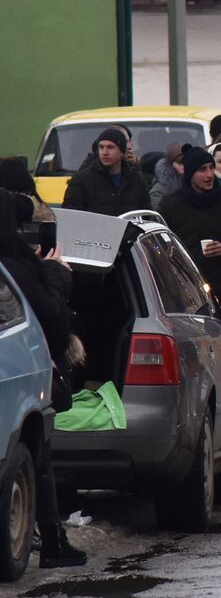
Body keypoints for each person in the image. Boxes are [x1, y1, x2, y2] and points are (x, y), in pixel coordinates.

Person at [0, 189, 87, 569]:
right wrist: (56, 272)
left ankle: (52, 539)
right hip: (19, 363)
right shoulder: (17, 265)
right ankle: (52, 540)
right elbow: (52, 316)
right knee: (38, 459)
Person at [157, 148, 221, 303]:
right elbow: (158, 245)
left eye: (211, 167)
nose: (209, 175)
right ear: (190, 173)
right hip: (184, 287)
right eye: (202, 170)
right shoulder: (170, 204)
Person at [61, 127, 150, 215]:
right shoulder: (81, 179)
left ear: (122, 152)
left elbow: (147, 216)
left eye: (110, 147)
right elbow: (70, 215)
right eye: (101, 147)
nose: (105, 152)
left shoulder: (136, 180)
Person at [148, 143, 184, 208]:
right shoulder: (158, 191)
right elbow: (160, 215)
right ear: (171, 165)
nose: (184, 166)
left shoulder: (196, 182)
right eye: (180, 163)